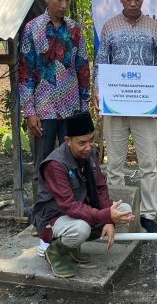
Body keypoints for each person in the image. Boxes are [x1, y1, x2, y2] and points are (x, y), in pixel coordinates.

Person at [94, 0, 157, 234]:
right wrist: (98, 94)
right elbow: (101, 64)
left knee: (148, 164)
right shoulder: (110, 27)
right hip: (115, 106)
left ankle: (147, 214)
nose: (133, 2)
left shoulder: (154, 28)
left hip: (145, 109)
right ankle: (120, 213)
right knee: (115, 165)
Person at [31, 112, 135, 278]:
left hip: (80, 208)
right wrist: (105, 216)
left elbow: (100, 188)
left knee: (124, 210)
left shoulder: (89, 153)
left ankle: (73, 246)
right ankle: (54, 252)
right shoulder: (55, 165)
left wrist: (109, 218)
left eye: (91, 140)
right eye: (82, 143)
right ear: (68, 141)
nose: (88, 146)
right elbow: (70, 206)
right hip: (53, 216)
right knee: (81, 229)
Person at [19, 0, 90, 205]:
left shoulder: (75, 31)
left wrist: (84, 107)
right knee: (43, 164)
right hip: (43, 112)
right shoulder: (32, 29)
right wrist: (29, 112)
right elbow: (25, 74)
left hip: (71, 111)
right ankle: (42, 216)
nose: (63, 5)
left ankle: (72, 211)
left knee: (73, 163)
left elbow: (83, 70)